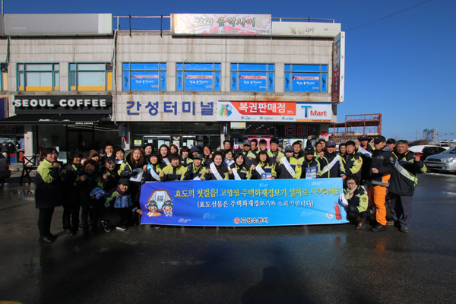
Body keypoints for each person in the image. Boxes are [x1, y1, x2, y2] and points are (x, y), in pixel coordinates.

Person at [388, 140, 427, 233]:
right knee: (394, 205)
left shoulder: (412, 156)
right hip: (394, 184)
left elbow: (422, 170)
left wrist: (418, 162)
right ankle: (395, 219)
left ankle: (405, 224)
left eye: (402, 147)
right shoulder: (392, 155)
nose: (400, 148)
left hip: (406, 185)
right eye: (399, 146)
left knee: (406, 207)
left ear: (407, 147)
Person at [367, 136, 395, 233]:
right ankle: (376, 219)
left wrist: (379, 170)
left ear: (384, 143)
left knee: (379, 203)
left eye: (378, 143)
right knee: (374, 203)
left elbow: (391, 168)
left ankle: (381, 223)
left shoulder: (388, 154)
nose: (376, 144)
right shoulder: (375, 152)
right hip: (372, 181)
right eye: (375, 142)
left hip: (381, 182)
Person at [35, 147, 63, 243]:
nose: (54, 155)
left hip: (50, 195)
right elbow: (48, 179)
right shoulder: (43, 166)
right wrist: (55, 169)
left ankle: (47, 232)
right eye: (51, 154)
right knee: (44, 216)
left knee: (49, 215)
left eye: (55, 153)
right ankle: (43, 235)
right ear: (45, 156)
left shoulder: (53, 164)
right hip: (44, 196)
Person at [118, 148, 146, 225]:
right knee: (128, 201)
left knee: (137, 201)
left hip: (139, 185)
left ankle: (137, 219)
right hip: (128, 185)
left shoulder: (144, 163)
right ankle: (128, 220)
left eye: (138, 153)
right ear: (132, 154)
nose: (136, 155)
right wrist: (128, 173)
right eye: (135, 153)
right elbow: (120, 172)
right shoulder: (126, 162)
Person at [78, 159, 104, 234]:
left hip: (95, 197)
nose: (89, 168)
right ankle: (85, 227)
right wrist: (81, 181)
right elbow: (78, 186)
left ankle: (94, 225)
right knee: (84, 212)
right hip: (85, 197)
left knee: (94, 211)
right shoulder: (81, 174)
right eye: (87, 166)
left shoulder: (98, 175)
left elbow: (100, 186)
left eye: (91, 166)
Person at [61, 151, 83, 236]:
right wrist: (69, 172)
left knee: (76, 210)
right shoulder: (66, 166)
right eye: (76, 157)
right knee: (67, 210)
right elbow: (63, 179)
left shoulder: (81, 167)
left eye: (79, 157)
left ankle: (76, 225)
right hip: (68, 192)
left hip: (77, 191)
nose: (78, 159)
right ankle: (67, 227)